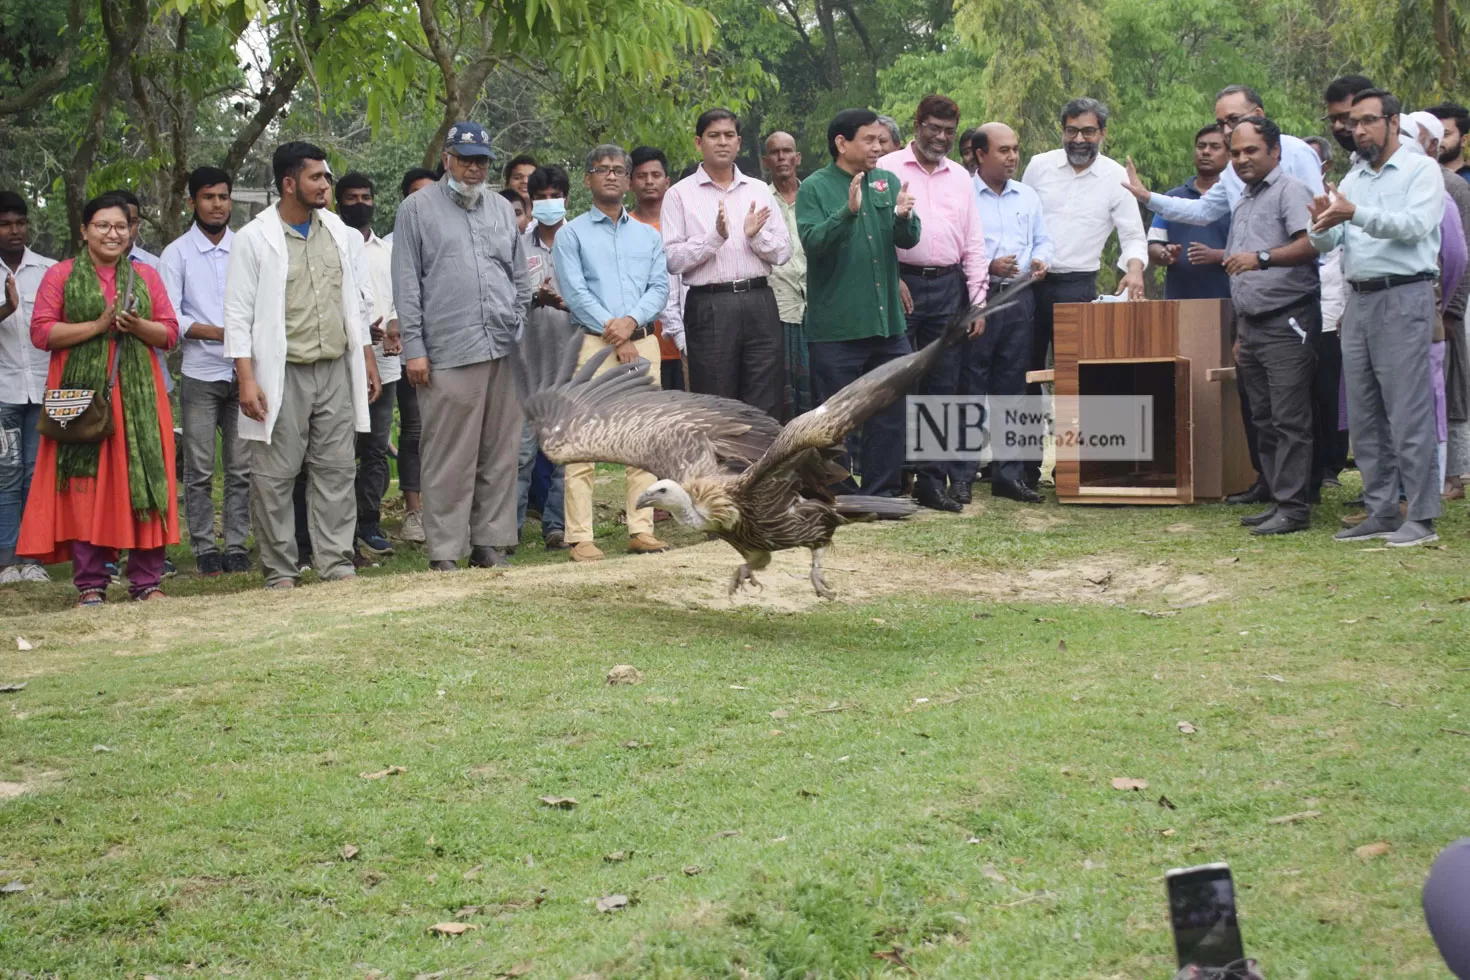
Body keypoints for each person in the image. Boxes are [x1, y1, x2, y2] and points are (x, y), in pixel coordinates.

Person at [224, 141, 381, 589]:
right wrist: (247, 379)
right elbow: (237, 313)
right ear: (289, 183)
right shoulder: (254, 238)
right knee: (275, 472)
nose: (326, 185)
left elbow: (357, 302)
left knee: (336, 468)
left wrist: (366, 357)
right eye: (317, 177)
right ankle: (280, 571)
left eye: (327, 177)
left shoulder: (339, 233)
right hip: (281, 371)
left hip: (335, 366)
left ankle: (336, 563)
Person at [18, 193, 180, 604]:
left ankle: (147, 581)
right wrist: (99, 324)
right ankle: (91, 583)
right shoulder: (60, 275)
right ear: (84, 231)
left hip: (140, 401)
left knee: (144, 479)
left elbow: (170, 334)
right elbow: (42, 334)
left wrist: (136, 324)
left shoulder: (146, 276)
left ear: (131, 232)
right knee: (84, 486)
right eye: (103, 226)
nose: (113, 233)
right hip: (80, 398)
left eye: (121, 226)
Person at [1309, 90, 1445, 547]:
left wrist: (1354, 212)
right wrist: (1320, 225)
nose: (1358, 130)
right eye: (1353, 122)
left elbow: (1415, 227)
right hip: (1360, 299)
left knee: (1408, 413)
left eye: (1368, 121)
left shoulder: (1420, 169)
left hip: (1404, 295)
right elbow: (1334, 239)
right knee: (1365, 416)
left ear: (1392, 121)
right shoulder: (1356, 175)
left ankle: (1421, 516)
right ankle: (1381, 510)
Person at [392, 121, 528, 571]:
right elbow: (407, 285)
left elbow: (518, 277)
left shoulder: (501, 209)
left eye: (482, 161)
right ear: (447, 158)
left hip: (502, 347)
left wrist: (520, 324)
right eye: (466, 159)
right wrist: (414, 348)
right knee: (449, 457)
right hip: (447, 350)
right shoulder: (416, 209)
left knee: (499, 452)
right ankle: (446, 551)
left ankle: (490, 543)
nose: (474, 169)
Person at [1021, 97, 1148, 490]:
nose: (1079, 138)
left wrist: (1135, 269)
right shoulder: (1039, 166)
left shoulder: (1115, 177)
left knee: (1080, 379)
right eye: (1072, 130)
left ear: (1103, 134)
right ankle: (1021, 469)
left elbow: (1131, 234)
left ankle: (1076, 467)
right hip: (1029, 285)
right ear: (1062, 131)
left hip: (1078, 286)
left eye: (1088, 131)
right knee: (1023, 374)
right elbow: (1019, 216)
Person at [554, 144, 671, 561]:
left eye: (618, 170)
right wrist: (617, 336)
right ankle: (580, 535)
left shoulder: (647, 234)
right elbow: (574, 291)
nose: (610, 176)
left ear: (627, 180)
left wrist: (631, 325)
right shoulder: (571, 234)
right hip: (592, 343)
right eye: (601, 169)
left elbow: (660, 287)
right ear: (588, 179)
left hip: (642, 342)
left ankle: (640, 528)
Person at [797, 108, 920, 498]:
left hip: (887, 326)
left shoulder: (886, 181)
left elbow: (907, 240)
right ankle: (842, 493)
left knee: (890, 411)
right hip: (837, 328)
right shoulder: (814, 188)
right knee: (834, 419)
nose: (879, 146)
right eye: (869, 139)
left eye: (881, 140)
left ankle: (882, 492)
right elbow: (813, 243)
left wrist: (904, 217)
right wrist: (847, 213)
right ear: (842, 143)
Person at [879, 94, 988, 512]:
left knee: (943, 384)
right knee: (898, 383)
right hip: (900, 286)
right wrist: (891, 279)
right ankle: (890, 479)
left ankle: (931, 480)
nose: (941, 138)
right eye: (934, 129)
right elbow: (875, 235)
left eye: (948, 131)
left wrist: (977, 301)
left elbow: (974, 242)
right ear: (917, 124)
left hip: (948, 287)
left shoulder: (962, 176)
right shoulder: (887, 169)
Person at [1220, 117, 1323, 536]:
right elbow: (1234, 264)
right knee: (1262, 416)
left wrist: (1262, 258)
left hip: (1288, 320)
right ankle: (1276, 495)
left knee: (1289, 418)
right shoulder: (1244, 199)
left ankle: (1295, 508)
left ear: (1275, 151)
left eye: (1251, 151)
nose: (1242, 159)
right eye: (1236, 153)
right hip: (1252, 325)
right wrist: (1237, 332)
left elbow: (1310, 244)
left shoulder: (1290, 190)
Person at [661, 108, 791, 418]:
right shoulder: (679, 195)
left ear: (739, 142)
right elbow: (672, 260)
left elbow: (784, 252)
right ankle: (725, 467)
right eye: (714, 135)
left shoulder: (758, 190)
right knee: (717, 398)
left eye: (729, 135)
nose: (723, 142)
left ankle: (761, 465)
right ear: (698, 142)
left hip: (759, 299)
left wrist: (755, 238)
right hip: (710, 305)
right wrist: (713, 239)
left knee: (765, 397)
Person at [159, 166, 250, 577]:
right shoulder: (176, 253)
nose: (218, 205)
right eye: (209, 197)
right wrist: (219, 332)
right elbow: (169, 318)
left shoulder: (247, 247)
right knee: (198, 468)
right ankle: (203, 546)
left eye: (224, 196)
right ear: (193, 202)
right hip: (200, 372)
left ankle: (236, 545)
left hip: (245, 373)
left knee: (241, 467)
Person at [968, 122, 1053, 504]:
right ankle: (961, 474)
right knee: (970, 385)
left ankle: (1009, 475)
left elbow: (1043, 239)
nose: (1013, 157)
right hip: (978, 298)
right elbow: (955, 247)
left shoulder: (1027, 196)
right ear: (980, 154)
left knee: (1013, 388)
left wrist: (1041, 260)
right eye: (1003, 150)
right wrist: (988, 266)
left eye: (1015, 149)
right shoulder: (964, 193)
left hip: (1020, 299)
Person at [1124, 85, 1326, 227]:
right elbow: (1203, 210)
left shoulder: (1296, 152)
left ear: (1259, 114)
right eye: (1221, 124)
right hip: (1248, 279)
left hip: (1295, 278)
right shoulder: (1233, 169)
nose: (1228, 130)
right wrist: (1147, 197)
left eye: (1234, 119)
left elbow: (1321, 219)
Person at [333, 172, 401, 562]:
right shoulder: (333, 244)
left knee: (375, 449)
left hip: (386, 365)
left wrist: (392, 326)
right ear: (339, 203)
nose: (360, 202)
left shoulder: (386, 251)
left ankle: (369, 524)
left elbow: (398, 299)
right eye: (352, 197)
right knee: (339, 451)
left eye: (366, 196)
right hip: (342, 363)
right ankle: (337, 530)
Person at [518, 164, 579, 551]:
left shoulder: (582, 241)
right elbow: (506, 298)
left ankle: (557, 526)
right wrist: (533, 298)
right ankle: (506, 529)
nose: (547, 203)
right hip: (526, 364)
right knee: (520, 451)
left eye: (553, 196)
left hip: (573, 361)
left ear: (567, 198)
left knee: (567, 452)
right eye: (539, 198)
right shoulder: (517, 246)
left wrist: (568, 303)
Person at [0, 192, 57, 584]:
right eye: (5, 224)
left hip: (43, 389)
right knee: (6, 472)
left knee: (36, 475)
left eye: (20, 222)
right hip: (3, 391)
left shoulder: (50, 270)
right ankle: (7, 561)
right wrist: (6, 308)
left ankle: (32, 557)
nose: (14, 230)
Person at [390, 167, 436, 542]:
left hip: (455, 350)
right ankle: (414, 512)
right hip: (412, 353)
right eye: (416, 194)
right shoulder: (395, 241)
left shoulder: (457, 234)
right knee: (415, 431)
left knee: (452, 434)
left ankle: (450, 510)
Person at [1147, 125, 1233, 301]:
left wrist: (1216, 255)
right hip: (1179, 300)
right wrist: (1165, 253)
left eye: (1215, 147)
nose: (1206, 152)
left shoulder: (1237, 197)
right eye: (1201, 146)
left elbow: (1253, 252)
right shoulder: (1172, 199)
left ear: (1230, 155)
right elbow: (1154, 246)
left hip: (1230, 300)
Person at [627, 146, 687, 392]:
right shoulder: (623, 228)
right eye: (641, 176)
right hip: (641, 345)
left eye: (656, 175)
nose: (649, 182)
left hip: (687, 344)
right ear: (630, 182)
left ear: (667, 181)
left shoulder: (685, 225)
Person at [762, 130, 811, 421]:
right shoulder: (758, 199)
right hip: (778, 308)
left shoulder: (814, 196)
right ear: (766, 161)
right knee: (781, 390)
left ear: (797, 157)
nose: (782, 157)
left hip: (817, 306)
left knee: (818, 386)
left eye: (787, 151)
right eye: (775, 152)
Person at [1427, 103, 1470, 181]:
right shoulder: (1419, 176)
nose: (1437, 141)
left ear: (1464, 140)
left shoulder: (1467, 179)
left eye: (1445, 134)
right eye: (1433, 134)